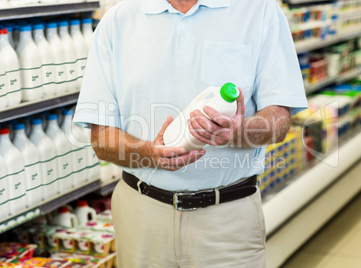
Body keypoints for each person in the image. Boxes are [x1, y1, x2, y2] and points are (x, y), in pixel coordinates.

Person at [73, 0, 308, 266]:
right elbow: (102, 140)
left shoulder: (260, 11)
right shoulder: (117, 20)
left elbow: (278, 122)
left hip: (227, 221)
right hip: (142, 218)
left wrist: (238, 131)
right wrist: (149, 153)